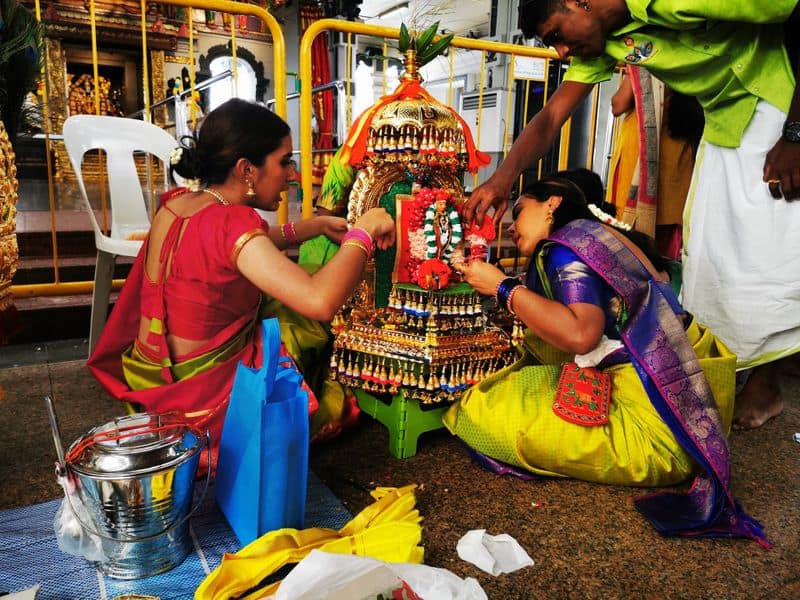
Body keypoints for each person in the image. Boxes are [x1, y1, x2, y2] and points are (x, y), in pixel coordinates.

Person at [465, 0, 800, 429]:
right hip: (725, 119)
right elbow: (551, 117)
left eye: (555, 35)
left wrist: (794, 133)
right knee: (713, 259)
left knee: (774, 255)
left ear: (577, 2)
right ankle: (729, 376)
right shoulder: (602, 43)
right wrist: (500, 179)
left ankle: (767, 386)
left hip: (777, 104)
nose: (561, 53)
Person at [445, 174, 770, 545]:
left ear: (551, 203)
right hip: (691, 412)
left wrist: (502, 288)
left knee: (480, 407)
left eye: (518, 211)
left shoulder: (563, 248)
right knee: (522, 383)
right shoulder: (598, 237)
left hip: (656, 434)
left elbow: (582, 334)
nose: (511, 226)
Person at [87, 99, 395, 469]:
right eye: (284, 161)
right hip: (206, 404)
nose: (293, 175)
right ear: (246, 170)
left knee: (277, 296)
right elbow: (319, 299)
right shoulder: (232, 223)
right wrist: (362, 232)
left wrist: (309, 227)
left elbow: (245, 246)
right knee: (299, 317)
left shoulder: (179, 205)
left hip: (155, 383)